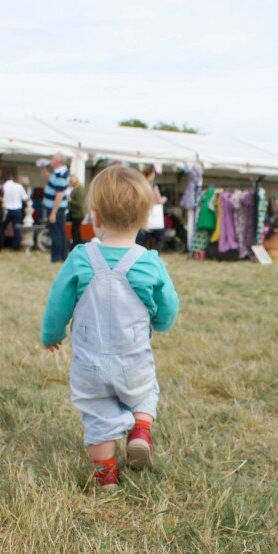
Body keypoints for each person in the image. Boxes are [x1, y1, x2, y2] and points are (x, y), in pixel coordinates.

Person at [41, 164, 179, 491]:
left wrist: (51, 334)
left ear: (96, 218)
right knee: (146, 392)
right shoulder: (149, 262)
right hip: (134, 360)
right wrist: (160, 322)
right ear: (145, 220)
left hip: (89, 363)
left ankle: (107, 479)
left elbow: (58, 302)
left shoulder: (80, 258)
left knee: (98, 415)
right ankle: (141, 430)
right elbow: (168, 308)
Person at [43, 152, 70, 263]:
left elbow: (59, 194)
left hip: (56, 207)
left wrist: (53, 212)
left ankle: (56, 257)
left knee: (55, 232)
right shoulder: (59, 172)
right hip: (58, 207)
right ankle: (63, 255)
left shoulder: (60, 174)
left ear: (58, 161)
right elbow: (53, 184)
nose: (51, 160)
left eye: (53, 158)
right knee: (60, 231)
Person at [2, 172, 28, 252]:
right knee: (17, 229)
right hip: (17, 209)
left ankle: (0, 244)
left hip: (6, 209)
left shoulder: (3, 186)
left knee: (2, 228)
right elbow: (25, 198)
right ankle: (16, 247)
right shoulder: (19, 186)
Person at [68, 175, 86, 248]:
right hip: (75, 213)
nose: (70, 182)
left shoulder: (79, 190)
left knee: (75, 231)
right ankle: (77, 244)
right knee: (75, 230)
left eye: (71, 181)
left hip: (78, 214)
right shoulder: (75, 189)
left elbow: (79, 204)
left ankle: (76, 244)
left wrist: (70, 201)